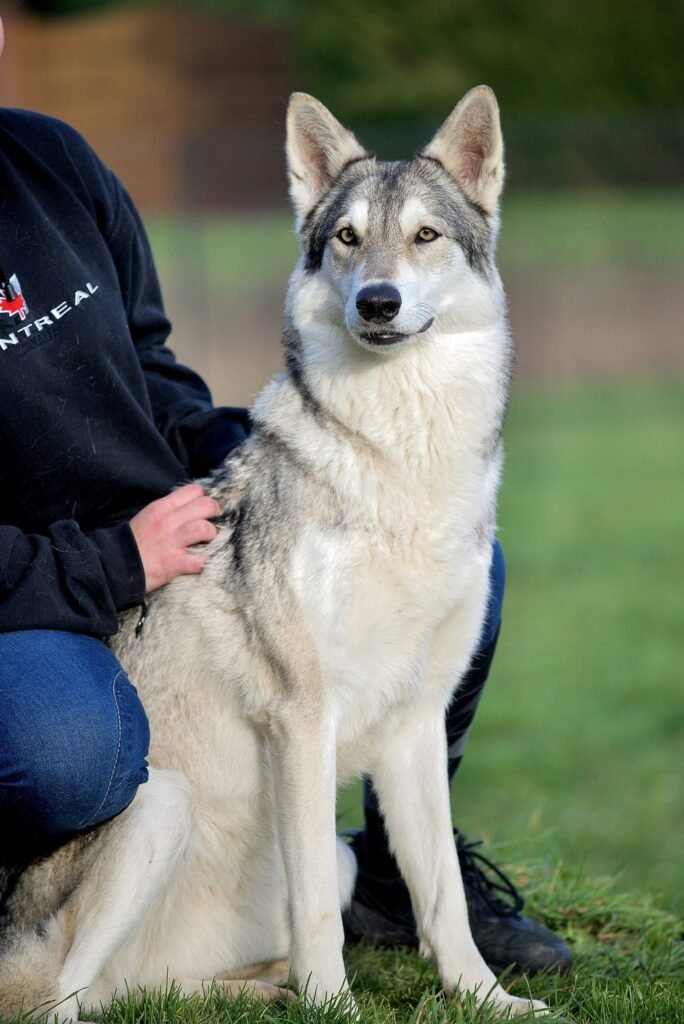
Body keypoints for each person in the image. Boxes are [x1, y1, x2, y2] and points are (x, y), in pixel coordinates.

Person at [0, 16, 570, 976]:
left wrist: (261, 453)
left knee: (475, 566)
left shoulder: (53, 160)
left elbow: (150, 365)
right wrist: (109, 563)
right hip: (31, 602)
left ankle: (396, 887)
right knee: (71, 748)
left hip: (160, 546)